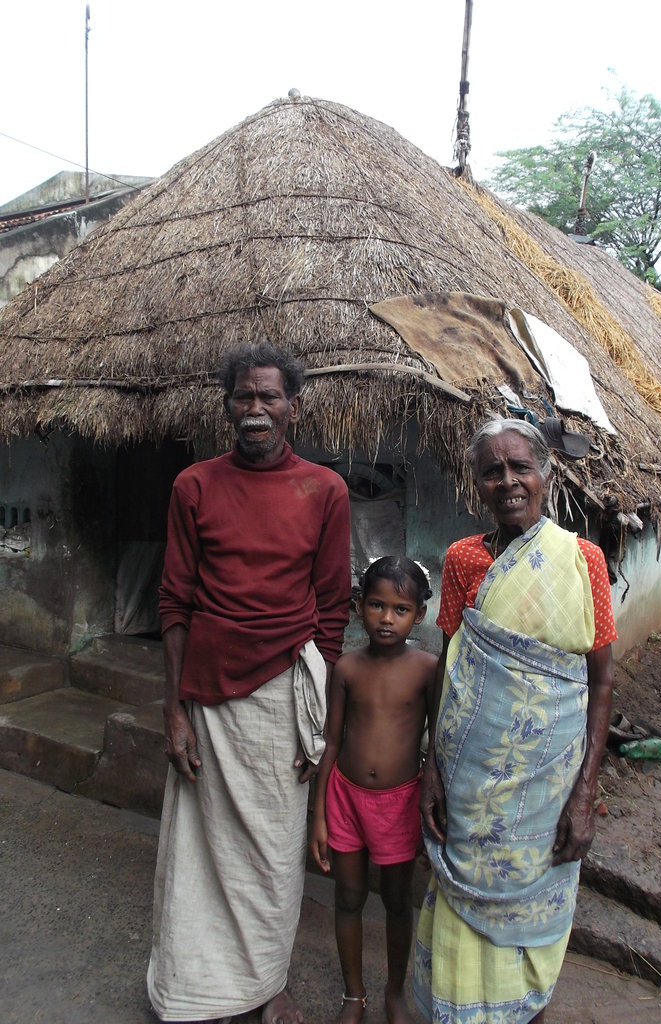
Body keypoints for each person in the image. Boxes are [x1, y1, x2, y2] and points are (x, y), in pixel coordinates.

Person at [146, 340, 351, 1024]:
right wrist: (174, 709)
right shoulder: (194, 486)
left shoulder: (324, 489)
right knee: (200, 854)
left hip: (281, 694)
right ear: (227, 405)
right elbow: (174, 601)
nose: (255, 409)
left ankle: (268, 983)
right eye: (243, 397)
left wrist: (319, 719)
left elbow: (331, 609)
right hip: (205, 694)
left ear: (293, 406)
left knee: (272, 847)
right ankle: (196, 988)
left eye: (269, 396)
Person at [416, 418, 617, 1024]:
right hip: (468, 781)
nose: (507, 481)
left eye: (520, 467)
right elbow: (448, 663)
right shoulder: (461, 561)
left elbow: (601, 679)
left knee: (532, 909)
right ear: (476, 484)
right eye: (492, 471)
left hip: (546, 790)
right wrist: (431, 766)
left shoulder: (583, 561)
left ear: (546, 476)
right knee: (456, 903)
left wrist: (585, 790)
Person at [310, 557, 437, 1024]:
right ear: (358, 606)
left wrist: (430, 807)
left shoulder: (427, 670)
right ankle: (353, 994)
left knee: (398, 899)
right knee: (348, 896)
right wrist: (319, 814)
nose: (387, 618)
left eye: (400, 609)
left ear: (419, 614)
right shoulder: (346, 668)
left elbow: (437, 742)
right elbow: (332, 741)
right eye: (377, 605)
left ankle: (395, 991)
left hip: (401, 803)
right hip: (345, 797)